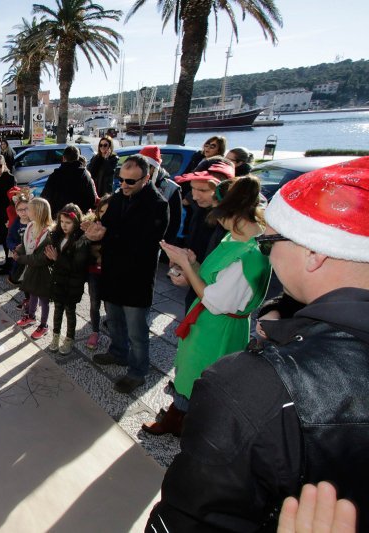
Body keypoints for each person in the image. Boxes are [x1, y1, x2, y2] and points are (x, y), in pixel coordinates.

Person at [146, 157, 369, 531]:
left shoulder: (249, 384)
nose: (268, 250)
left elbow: (192, 517)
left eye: (273, 240)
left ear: (315, 253)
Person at [143, 176, 272, 436]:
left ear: (234, 214)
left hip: (218, 327)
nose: (220, 224)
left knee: (199, 376)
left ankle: (181, 422)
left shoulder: (249, 255)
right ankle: (179, 417)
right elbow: (213, 281)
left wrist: (187, 265)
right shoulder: (235, 241)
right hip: (207, 322)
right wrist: (192, 263)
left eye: (221, 217)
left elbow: (214, 300)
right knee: (189, 368)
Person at [87, 155, 169, 393]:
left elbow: (143, 243)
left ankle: (137, 371)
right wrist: (95, 230)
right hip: (112, 273)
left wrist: (105, 235)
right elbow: (110, 225)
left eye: (130, 182)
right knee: (114, 320)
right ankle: (118, 352)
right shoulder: (118, 198)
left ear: (147, 177)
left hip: (136, 278)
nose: (123, 185)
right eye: (120, 179)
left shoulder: (158, 204)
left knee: (137, 331)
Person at [174, 158, 236, 311]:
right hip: (197, 287)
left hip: (215, 299)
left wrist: (191, 274)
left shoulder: (233, 224)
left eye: (202, 190)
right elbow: (195, 241)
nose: (194, 197)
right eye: (193, 189)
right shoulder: (201, 208)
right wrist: (181, 260)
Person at [45, 203, 89, 355]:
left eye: (68, 223)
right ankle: (56, 335)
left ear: (76, 222)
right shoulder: (57, 236)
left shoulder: (81, 240)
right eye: (62, 222)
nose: (64, 225)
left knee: (70, 311)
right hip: (59, 281)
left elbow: (77, 266)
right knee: (57, 310)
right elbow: (52, 259)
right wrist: (51, 257)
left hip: (73, 284)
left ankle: (70, 338)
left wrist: (57, 258)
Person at [13, 197, 53, 341]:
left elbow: (41, 259)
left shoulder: (49, 233)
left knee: (43, 298)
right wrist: (19, 250)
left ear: (38, 212)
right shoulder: (30, 226)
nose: (26, 211)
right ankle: (30, 316)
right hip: (31, 268)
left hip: (42, 272)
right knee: (32, 292)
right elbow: (26, 244)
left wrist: (20, 259)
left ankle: (44, 325)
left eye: (28, 209)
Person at [139, 146, 182, 245]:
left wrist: (165, 245)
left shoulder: (171, 188)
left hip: (157, 243)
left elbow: (174, 223)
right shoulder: (135, 182)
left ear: (154, 167)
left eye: (145, 167)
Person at [85, 195, 112, 350]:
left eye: (108, 211)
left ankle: (114, 332)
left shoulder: (117, 227)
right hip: (94, 271)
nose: (104, 214)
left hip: (110, 273)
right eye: (101, 211)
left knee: (110, 304)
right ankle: (95, 331)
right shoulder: (93, 225)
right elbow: (84, 248)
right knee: (94, 303)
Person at [40, 145, 97, 217]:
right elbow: (92, 199)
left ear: (63, 158)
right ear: (78, 158)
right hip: (77, 217)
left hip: (58, 218)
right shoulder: (85, 175)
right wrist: (81, 212)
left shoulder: (55, 176)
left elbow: (45, 197)